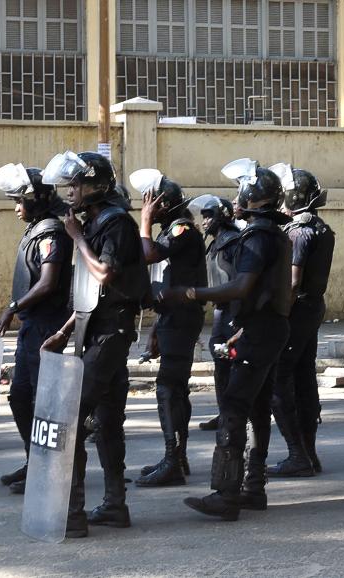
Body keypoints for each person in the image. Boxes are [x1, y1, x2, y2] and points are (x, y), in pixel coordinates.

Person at [162, 159, 292, 521]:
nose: (236, 198)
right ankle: (253, 488)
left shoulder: (258, 235)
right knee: (258, 407)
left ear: (253, 196)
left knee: (234, 406)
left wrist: (191, 293)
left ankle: (226, 493)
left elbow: (241, 286)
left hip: (262, 332)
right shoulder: (270, 233)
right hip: (266, 328)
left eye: (241, 191)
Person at [40, 151, 149, 538]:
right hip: (96, 329)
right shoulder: (96, 221)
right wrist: (66, 330)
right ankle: (115, 505)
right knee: (106, 422)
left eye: (77, 185)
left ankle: (72, 514)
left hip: (111, 334)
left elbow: (102, 274)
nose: (70, 192)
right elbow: (89, 291)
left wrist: (76, 239)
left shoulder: (114, 223)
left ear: (96, 186)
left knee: (71, 420)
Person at [0, 164, 72, 494]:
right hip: (30, 326)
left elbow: (48, 283)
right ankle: (34, 459)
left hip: (45, 327)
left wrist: (12, 308)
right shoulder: (36, 228)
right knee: (20, 397)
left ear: (36, 200)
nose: (16, 208)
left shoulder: (51, 233)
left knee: (41, 401)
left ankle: (49, 470)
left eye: (20, 201)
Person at [132, 169, 207, 487]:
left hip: (182, 318)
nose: (145, 204)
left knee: (168, 389)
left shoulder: (181, 228)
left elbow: (148, 255)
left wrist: (144, 220)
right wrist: (156, 327)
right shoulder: (173, 229)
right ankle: (176, 457)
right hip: (172, 318)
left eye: (150, 201)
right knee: (175, 389)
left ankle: (172, 461)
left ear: (161, 204)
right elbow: (165, 276)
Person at [266, 164, 334, 477]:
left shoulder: (299, 232)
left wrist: (278, 314)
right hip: (313, 308)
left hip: (297, 311)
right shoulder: (320, 227)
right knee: (305, 380)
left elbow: (292, 282)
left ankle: (298, 454)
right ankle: (309, 452)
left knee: (281, 379)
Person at [190, 195, 242, 432]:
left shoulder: (231, 242)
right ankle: (225, 414)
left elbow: (236, 282)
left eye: (209, 216)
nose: (204, 221)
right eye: (204, 216)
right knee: (222, 364)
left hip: (233, 313)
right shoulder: (216, 243)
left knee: (231, 365)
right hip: (222, 312)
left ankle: (234, 416)